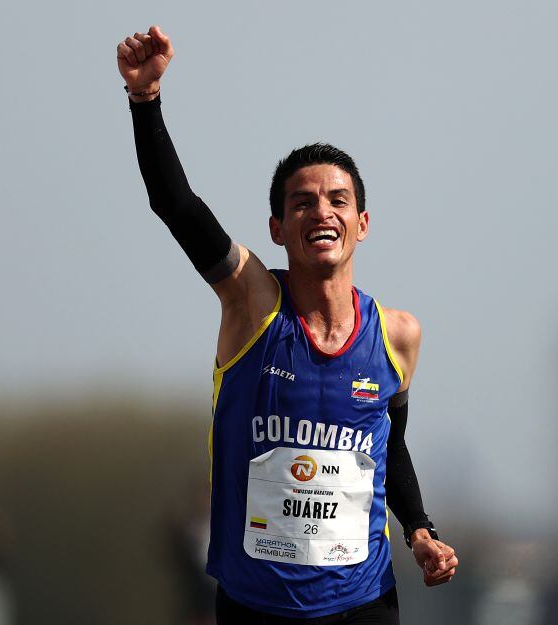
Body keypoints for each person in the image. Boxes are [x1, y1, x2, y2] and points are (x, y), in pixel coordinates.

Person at [118, 25, 459, 624]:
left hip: (363, 600)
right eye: (302, 202)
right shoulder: (252, 302)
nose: (321, 211)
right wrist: (145, 100)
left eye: (337, 200)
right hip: (257, 604)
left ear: (362, 223)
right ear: (277, 228)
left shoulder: (397, 335)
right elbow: (177, 206)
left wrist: (420, 530)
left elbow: (391, 443)